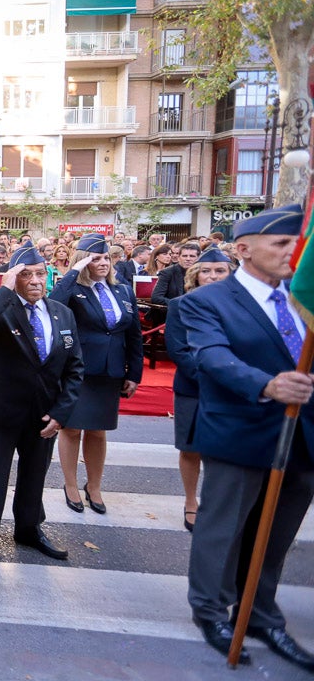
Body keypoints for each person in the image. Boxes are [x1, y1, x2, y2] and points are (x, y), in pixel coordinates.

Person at [179, 206, 314, 669]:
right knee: (224, 529)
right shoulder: (207, 301)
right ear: (244, 249)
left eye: (296, 243)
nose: (292, 252)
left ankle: (258, 611)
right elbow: (212, 358)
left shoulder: (302, 298)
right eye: (280, 244)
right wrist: (266, 384)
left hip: (302, 436)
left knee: (276, 534)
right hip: (242, 430)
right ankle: (212, 611)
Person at [0, 244, 83, 563]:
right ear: (13, 278)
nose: (35, 280)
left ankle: (29, 528)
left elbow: (75, 367)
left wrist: (61, 413)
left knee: (35, 474)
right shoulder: (0, 308)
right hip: (2, 413)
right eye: (26, 274)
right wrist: (4, 288)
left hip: (43, 414)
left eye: (40, 273)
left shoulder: (62, 313)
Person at [48, 233, 143, 516]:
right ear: (83, 260)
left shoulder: (123, 290)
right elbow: (54, 305)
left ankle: (95, 486)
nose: (103, 263)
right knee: (72, 429)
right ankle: (70, 485)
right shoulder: (74, 289)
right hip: (78, 370)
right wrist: (74, 272)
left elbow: (135, 335)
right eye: (95, 258)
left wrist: (134, 372)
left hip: (110, 371)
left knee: (98, 432)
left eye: (106, 258)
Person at [165, 246, 232, 533]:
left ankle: (218, 504)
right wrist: (212, 377)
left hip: (233, 389)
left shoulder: (240, 306)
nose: (213, 276)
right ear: (195, 274)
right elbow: (178, 349)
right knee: (191, 448)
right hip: (193, 387)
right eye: (206, 270)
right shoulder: (180, 305)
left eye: (220, 271)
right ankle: (191, 500)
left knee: (224, 452)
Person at [152, 241, 201, 308]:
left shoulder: (202, 273)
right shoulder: (167, 272)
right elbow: (156, 298)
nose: (188, 259)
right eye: (184, 256)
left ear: (198, 258)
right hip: (173, 311)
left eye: (192, 256)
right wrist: (182, 304)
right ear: (179, 257)